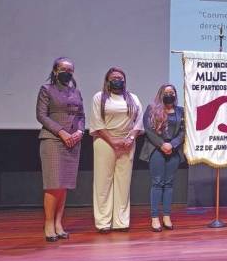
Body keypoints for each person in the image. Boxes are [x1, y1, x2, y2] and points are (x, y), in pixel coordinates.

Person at [36, 57, 85, 242]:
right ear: (55, 70)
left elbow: (81, 115)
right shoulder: (46, 90)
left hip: (73, 141)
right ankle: (48, 223)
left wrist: (80, 131)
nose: (67, 72)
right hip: (53, 140)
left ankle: (58, 223)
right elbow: (41, 115)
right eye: (64, 69)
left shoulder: (76, 92)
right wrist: (62, 132)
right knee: (53, 184)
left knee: (63, 185)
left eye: (70, 70)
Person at [90, 67, 144, 233]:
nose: (117, 80)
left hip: (127, 142)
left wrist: (131, 138)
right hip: (105, 141)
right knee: (103, 182)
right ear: (107, 80)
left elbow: (139, 120)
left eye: (120, 77)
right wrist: (113, 141)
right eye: (113, 77)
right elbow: (97, 122)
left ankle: (121, 222)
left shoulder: (132, 97)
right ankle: (103, 222)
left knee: (123, 182)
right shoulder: (99, 97)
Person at [139, 84, 185, 232]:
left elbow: (184, 132)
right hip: (156, 150)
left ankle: (166, 216)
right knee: (157, 182)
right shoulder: (152, 109)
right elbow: (148, 129)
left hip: (174, 151)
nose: (169, 94)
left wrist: (172, 144)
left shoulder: (180, 111)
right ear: (160, 94)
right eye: (166, 92)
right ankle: (154, 217)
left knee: (169, 183)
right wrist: (162, 144)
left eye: (172, 92)